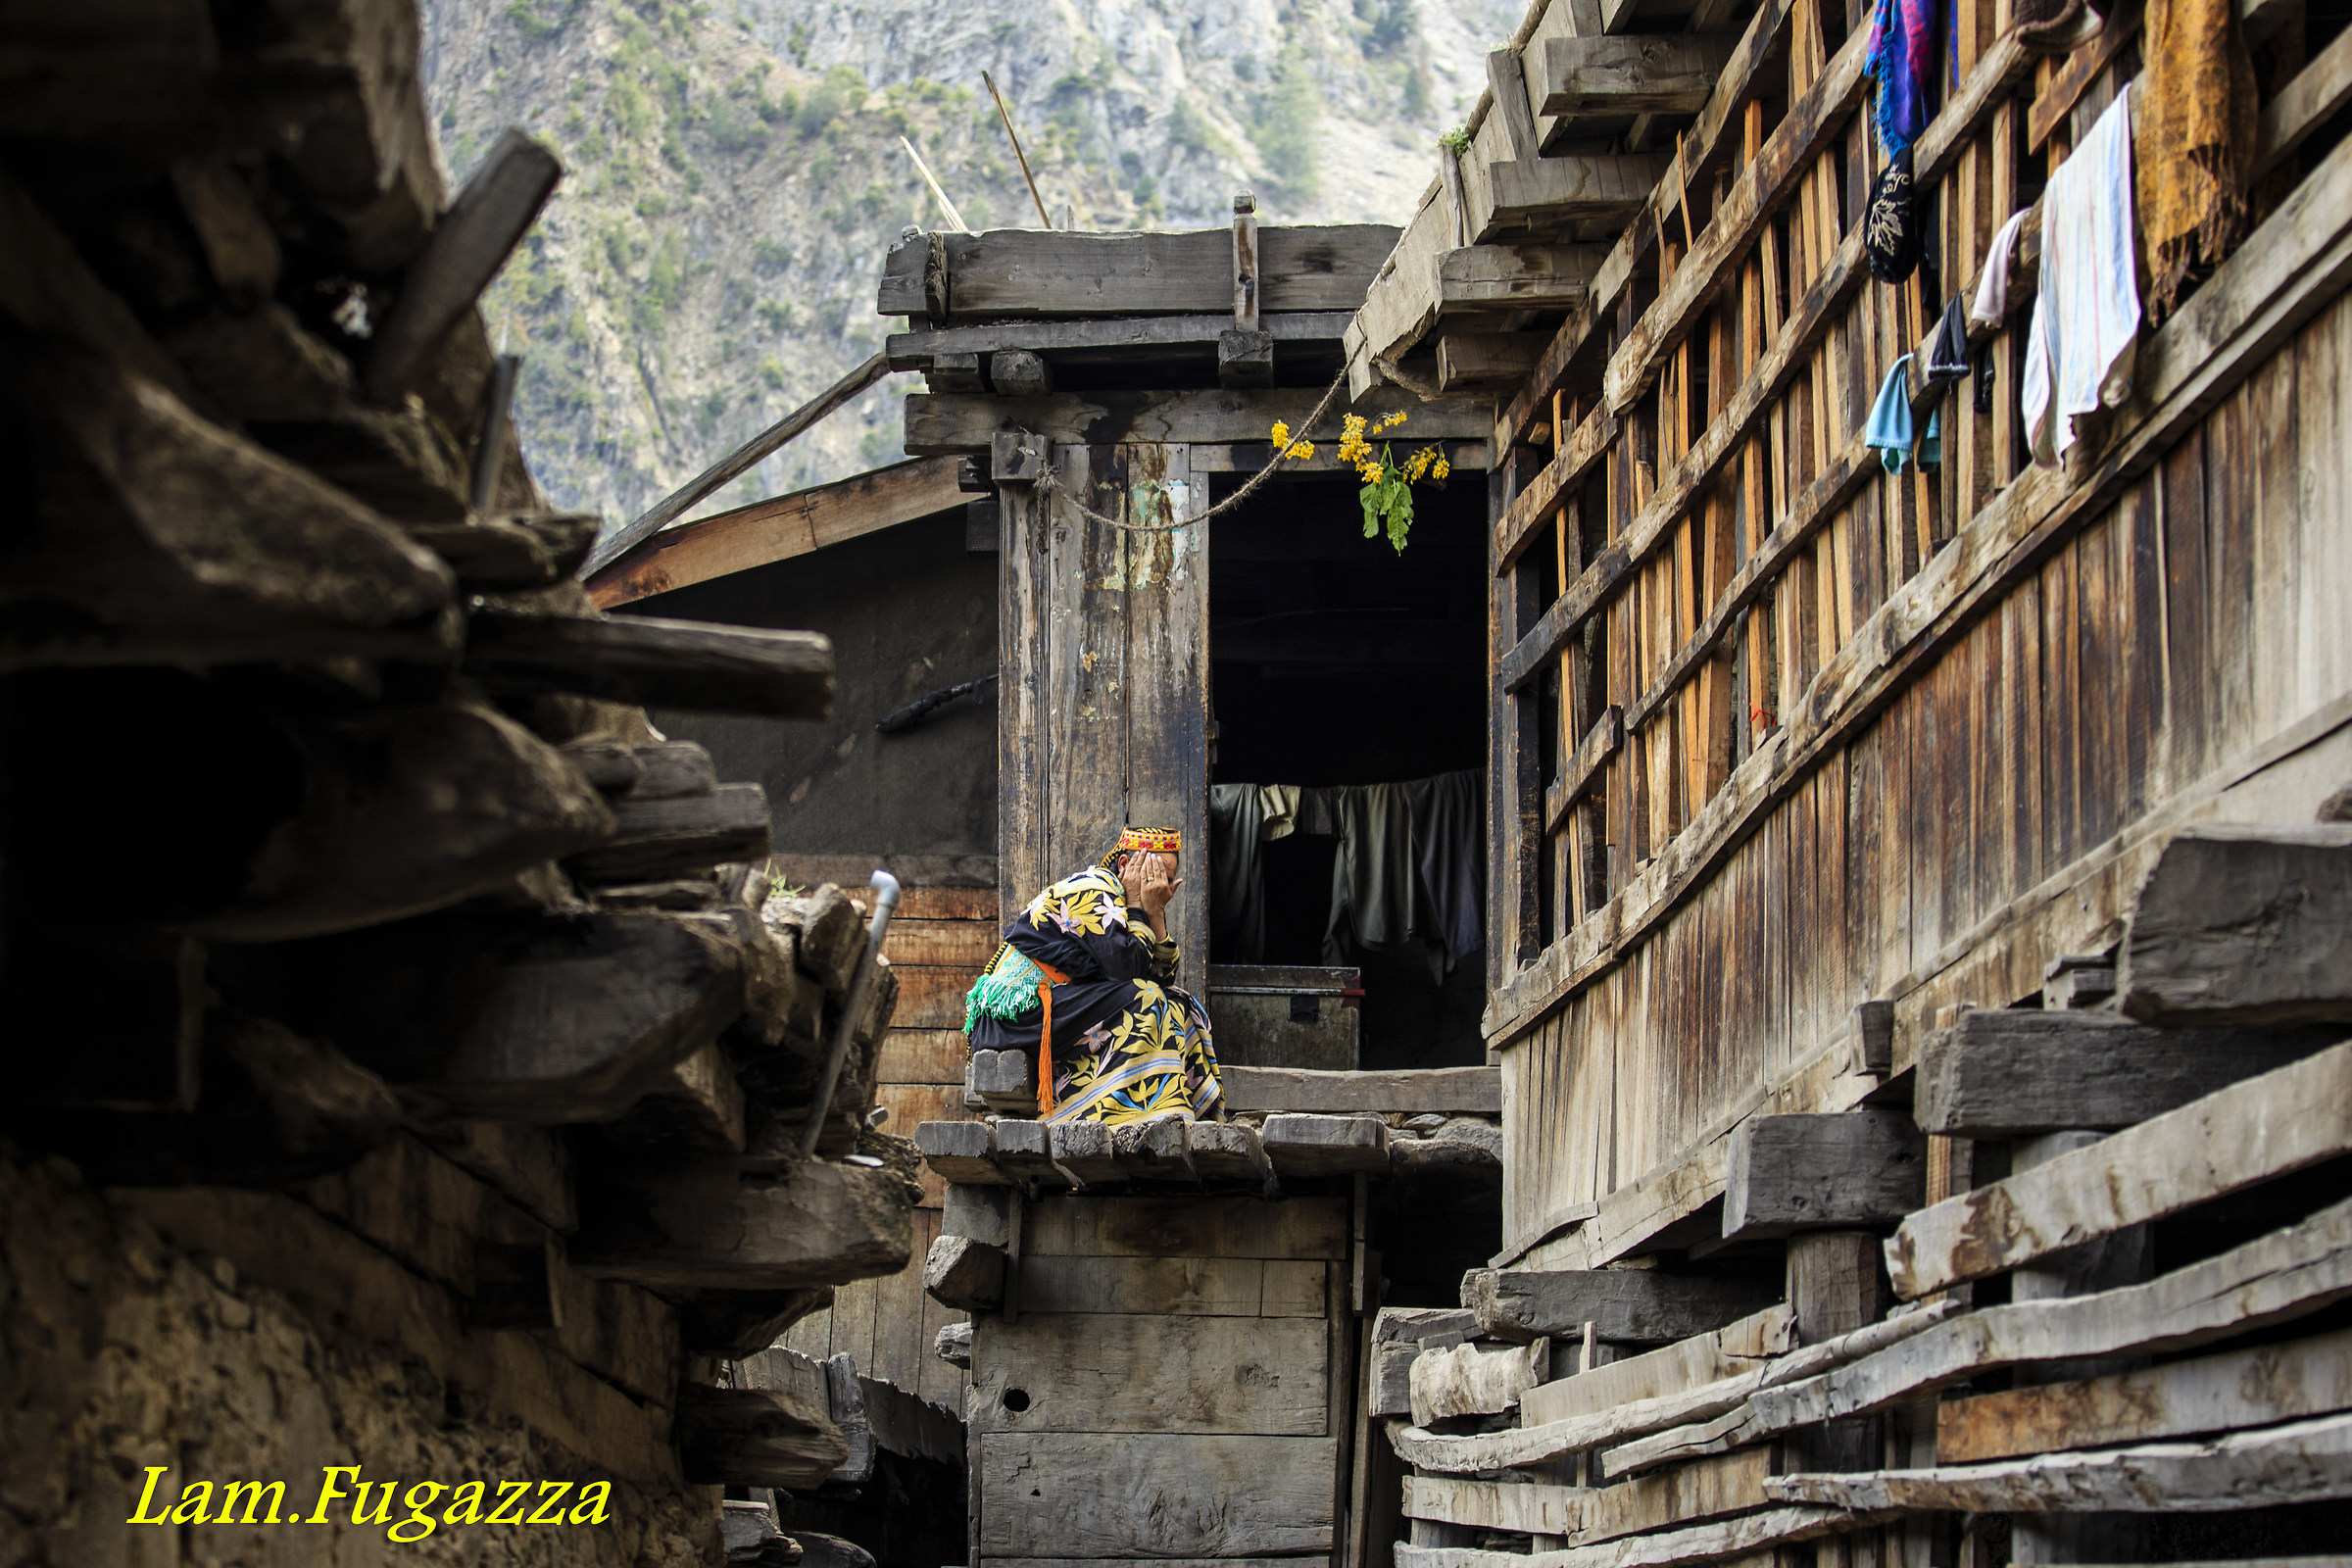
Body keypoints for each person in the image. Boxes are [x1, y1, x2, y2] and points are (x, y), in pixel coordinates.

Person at [961, 826, 1222, 1126]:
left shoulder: (1123, 901)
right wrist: (1140, 908)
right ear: (1125, 865)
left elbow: (1160, 977)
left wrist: (1156, 913)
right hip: (1014, 1016)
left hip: (1048, 1008)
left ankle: (1174, 1108)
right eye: (1156, 871)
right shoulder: (1095, 887)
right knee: (1144, 997)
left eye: (1166, 876)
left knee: (1178, 1002)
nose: (1160, 884)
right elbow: (1126, 972)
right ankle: (1114, 1111)